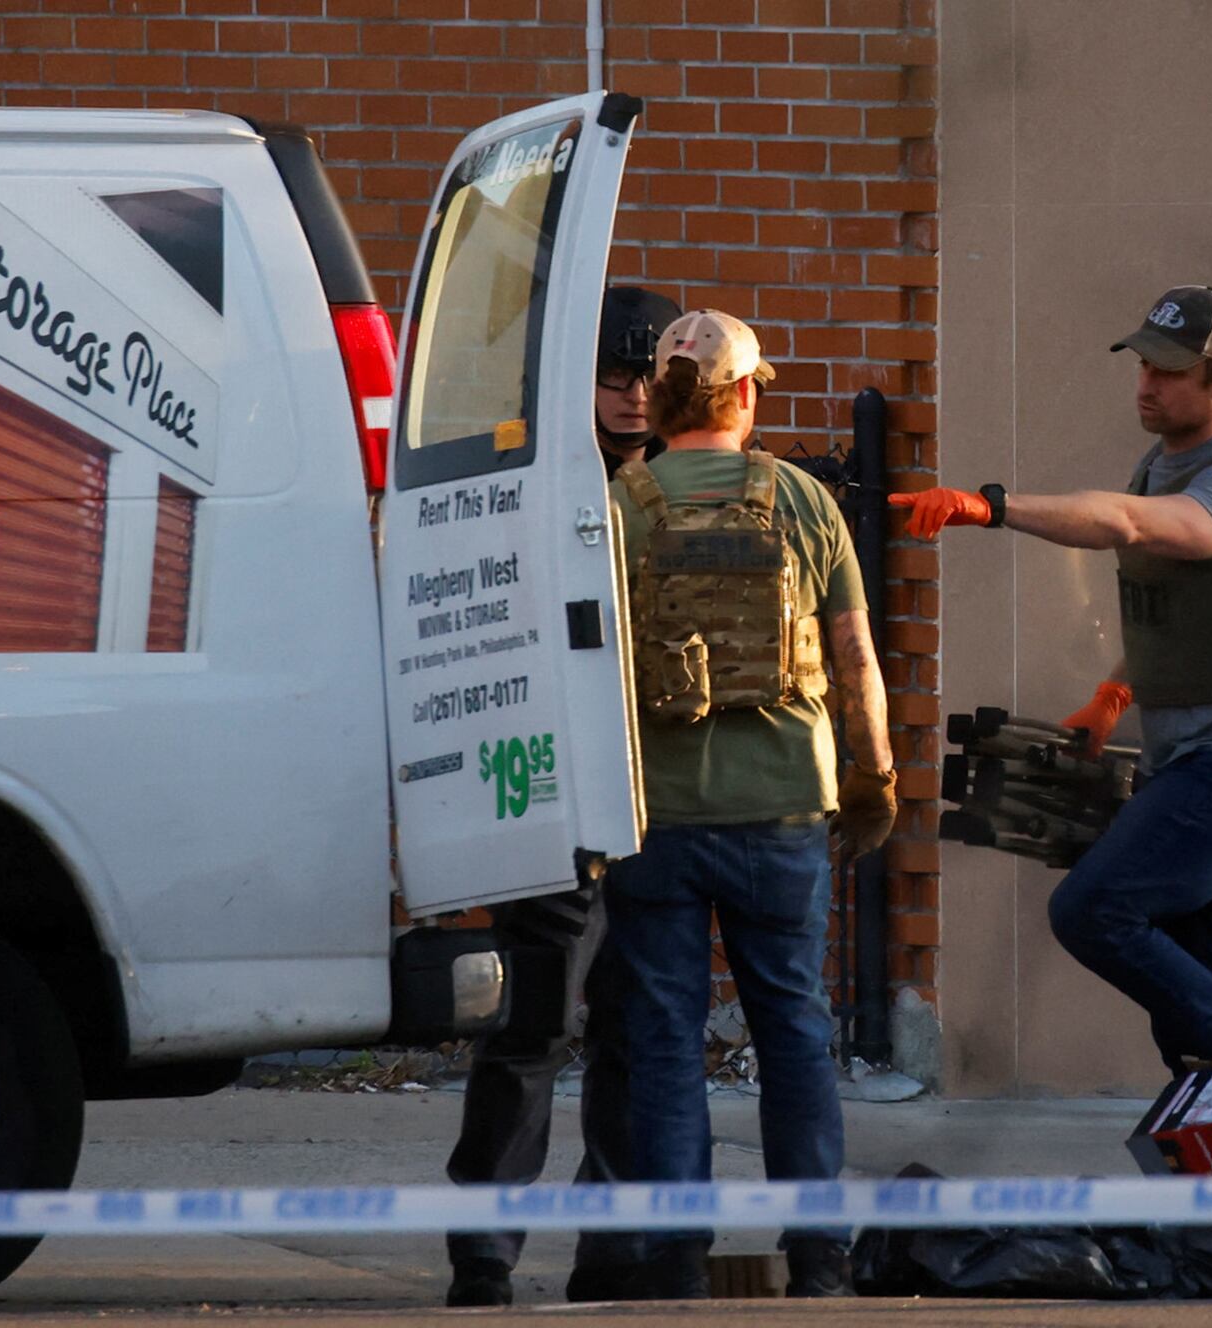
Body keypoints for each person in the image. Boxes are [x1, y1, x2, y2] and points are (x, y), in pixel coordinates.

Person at [889, 285, 1212, 1076]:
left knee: (1093, 910)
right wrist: (1114, 697)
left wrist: (990, 508)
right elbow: (1175, 613)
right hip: (1193, 764)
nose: (1147, 385)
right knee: (1192, 1035)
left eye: (1170, 371)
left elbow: (1122, 523)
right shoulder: (1158, 469)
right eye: (1143, 365)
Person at [603, 309, 897, 1299]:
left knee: (664, 1036)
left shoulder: (622, 505)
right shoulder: (805, 501)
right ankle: (819, 1255)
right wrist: (875, 780)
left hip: (660, 815)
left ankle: (677, 1254)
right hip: (783, 810)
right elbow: (856, 659)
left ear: (664, 394)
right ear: (748, 395)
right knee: (795, 1030)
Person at [440, 284, 683, 1309]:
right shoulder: (531, 479)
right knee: (534, 1024)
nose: (630, 397)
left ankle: (615, 1250)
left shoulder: (695, 486)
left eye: (647, 379)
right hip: (563, 783)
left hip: (666, 794)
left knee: (636, 1026)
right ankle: (484, 1250)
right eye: (613, 377)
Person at [594, 286, 680, 477]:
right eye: (617, 374)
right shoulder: (545, 478)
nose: (637, 396)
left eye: (653, 375)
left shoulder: (690, 480)